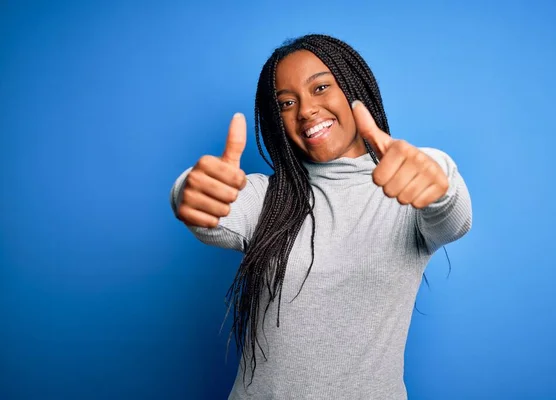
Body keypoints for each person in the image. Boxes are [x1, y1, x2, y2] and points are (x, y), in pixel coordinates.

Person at [170, 34, 472, 400]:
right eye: (286, 103)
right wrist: (189, 190)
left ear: (354, 88)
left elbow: (452, 215)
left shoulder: (407, 190)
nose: (306, 110)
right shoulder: (269, 198)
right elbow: (212, 212)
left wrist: (440, 179)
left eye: (321, 87)